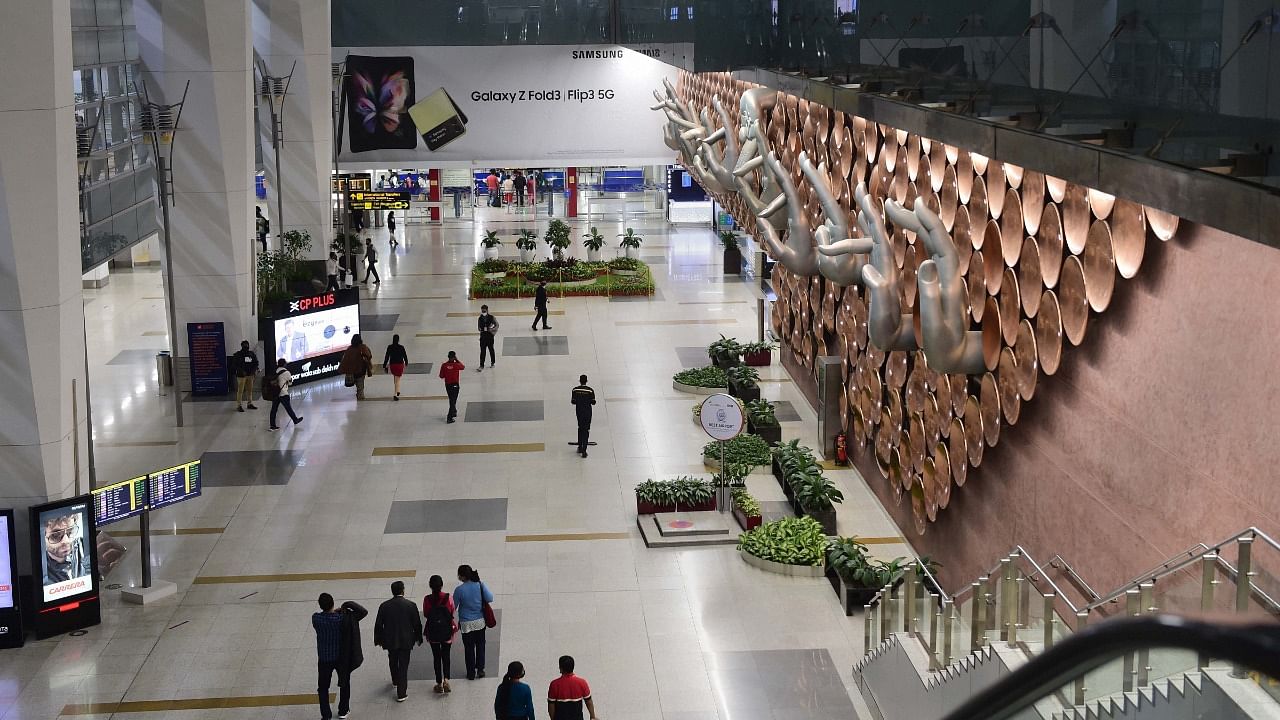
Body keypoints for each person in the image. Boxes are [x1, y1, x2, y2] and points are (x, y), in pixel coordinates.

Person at [313, 592, 368, 720]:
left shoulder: (316, 619)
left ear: (321, 606)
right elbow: (363, 612)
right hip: (341, 657)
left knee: (323, 687)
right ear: (333, 603)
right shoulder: (342, 619)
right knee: (344, 683)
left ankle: (326, 715)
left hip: (324, 658)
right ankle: (343, 710)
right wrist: (346, 605)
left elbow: (322, 616)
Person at [374, 581, 422, 703]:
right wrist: (418, 637)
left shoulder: (384, 606)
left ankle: (395, 680)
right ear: (403, 591)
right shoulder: (411, 605)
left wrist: (378, 639)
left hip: (390, 640)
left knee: (393, 660)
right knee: (404, 665)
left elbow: (379, 624)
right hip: (406, 640)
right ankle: (401, 693)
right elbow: (417, 624)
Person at [453, 564, 494, 680]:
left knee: (469, 648)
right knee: (481, 645)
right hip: (480, 621)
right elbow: (490, 598)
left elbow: (453, 607)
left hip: (466, 624)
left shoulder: (459, 590)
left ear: (462, 576)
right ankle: (480, 669)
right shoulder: (480, 585)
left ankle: (470, 672)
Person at [423, 575, 457, 695]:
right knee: (446, 655)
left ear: (430, 586)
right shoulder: (448, 598)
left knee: (436, 657)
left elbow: (426, 614)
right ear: (441, 585)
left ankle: (438, 682)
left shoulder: (427, 599)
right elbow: (452, 611)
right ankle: (446, 679)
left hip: (433, 632)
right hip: (447, 630)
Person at [41, 513, 89, 587]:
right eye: (55, 536)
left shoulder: (85, 545)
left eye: (70, 531)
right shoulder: (41, 569)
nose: (66, 541)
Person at [547, 656, 598, 720]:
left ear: (561, 668)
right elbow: (589, 701)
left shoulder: (554, 684)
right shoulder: (582, 682)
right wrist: (592, 716)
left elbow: (551, 706)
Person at [268, 358, 303, 430]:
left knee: (274, 410)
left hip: (275, 393)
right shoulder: (287, 372)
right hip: (283, 393)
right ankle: (295, 420)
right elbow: (290, 383)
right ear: (284, 364)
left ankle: (272, 425)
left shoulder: (276, 371)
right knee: (288, 408)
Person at [338, 335, 374, 400]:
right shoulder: (363, 347)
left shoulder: (349, 349)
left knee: (357, 381)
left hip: (351, 370)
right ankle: (360, 395)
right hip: (361, 369)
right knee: (360, 382)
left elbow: (345, 359)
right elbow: (369, 356)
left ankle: (359, 393)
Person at [571, 375, 596, 457]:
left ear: (579, 381)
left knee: (580, 428)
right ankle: (584, 451)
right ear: (586, 381)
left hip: (579, 412)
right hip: (588, 412)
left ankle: (580, 446)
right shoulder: (590, 391)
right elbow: (593, 402)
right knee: (586, 430)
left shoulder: (575, 390)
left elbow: (573, 402)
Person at [232, 340, 260, 412]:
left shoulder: (251, 354)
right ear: (242, 346)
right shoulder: (238, 355)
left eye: (247, 345)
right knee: (240, 391)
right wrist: (241, 371)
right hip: (241, 376)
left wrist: (253, 371)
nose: (246, 346)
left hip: (250, 375)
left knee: (250, 390)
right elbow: (234, 365)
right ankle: (239, 405)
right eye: (244, 345)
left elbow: (256, 363)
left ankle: (250, 403)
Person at [438, 351, 465, 423]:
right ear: (454, 357)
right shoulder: (456, 365)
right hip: (455, 385)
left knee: (451, 399)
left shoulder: (444, 365)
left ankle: (454, 411)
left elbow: (441, 376)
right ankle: (449, 417)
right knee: (453, 400)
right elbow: (463, 367)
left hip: (448, 385)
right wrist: (457, 360)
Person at [383, 334, 408, 400]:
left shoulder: (389, 347)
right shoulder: (401, 347)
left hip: (392, 365)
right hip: (399, 365)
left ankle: (398, 390)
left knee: (396, 377)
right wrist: (406, 362)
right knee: (398, 379)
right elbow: (405, 356)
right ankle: (395, 394)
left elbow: (387, 356)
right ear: (398, 340)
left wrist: (384, 364)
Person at [478, 305, 499, 371]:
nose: (483, 312)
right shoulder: (480, 318)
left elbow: (497, 325)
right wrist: (481, 329)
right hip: (483, 336)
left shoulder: (491, 317)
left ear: (487, 310)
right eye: (482, 311)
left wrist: (492, 329)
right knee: (482, 351)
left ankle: (493, 362)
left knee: (491, 349)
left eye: (484, 311)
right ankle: (481, 365)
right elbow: (478, 327)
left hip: (489, 336)